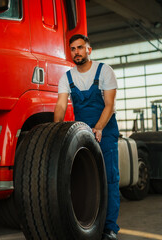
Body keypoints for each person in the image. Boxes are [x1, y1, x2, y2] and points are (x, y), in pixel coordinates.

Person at [54, 34, 120, 240]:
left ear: (89, 50)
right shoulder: (67, 77)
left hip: (105, 132)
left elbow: (110, 105)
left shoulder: (104, 71)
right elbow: (61, 105)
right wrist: (55, 130)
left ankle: (109, 228)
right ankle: (90, 223)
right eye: (73, 49)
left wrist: (99, 127)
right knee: (87, 179)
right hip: (82, 134)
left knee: (109, 179)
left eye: (80, 48)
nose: (77, 52)